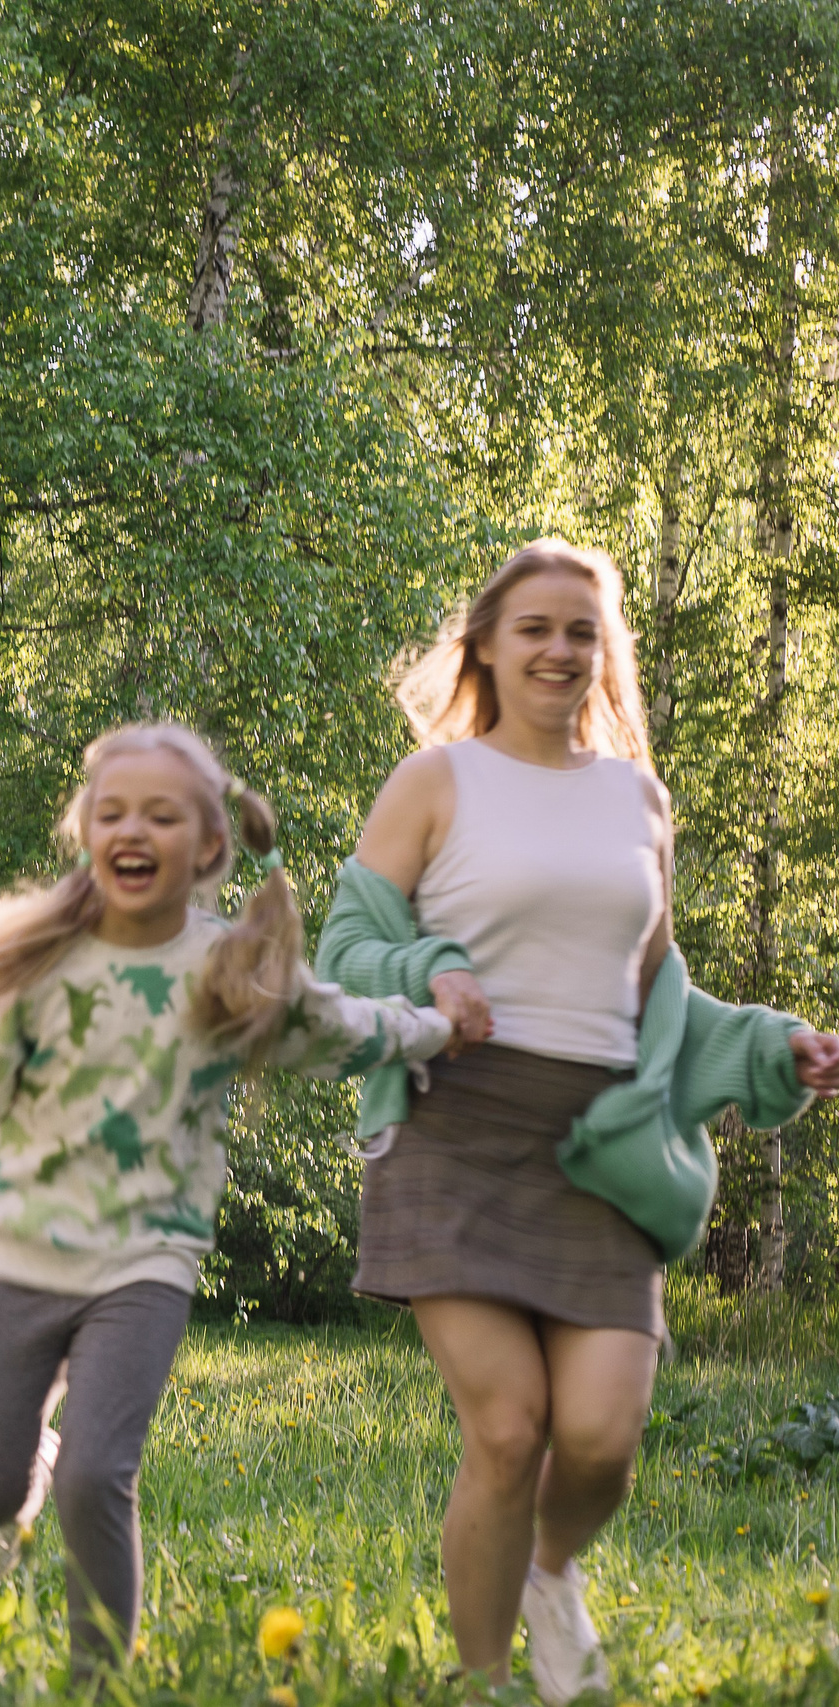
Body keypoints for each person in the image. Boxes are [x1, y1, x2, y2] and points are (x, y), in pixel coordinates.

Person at [0, 724, 452, 1679]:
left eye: (161, 815)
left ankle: (102, 1677)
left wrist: (437, 1029)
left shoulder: (231, 970)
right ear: (87, 832)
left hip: (147, 1259)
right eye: (113, 812)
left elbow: (346, 1026)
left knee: (101, 1473)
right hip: (21, 1254)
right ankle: (16, 1486)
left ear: (209, 846)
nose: (134, 829)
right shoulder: (42, 968)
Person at [317, 537, 839, 1700]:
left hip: (603, 1142)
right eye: (534, 629)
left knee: (599, 1439)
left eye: (580, 631)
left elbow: (652, 995)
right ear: (488, 649)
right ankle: (484, 1677)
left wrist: (767, 1047)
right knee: (507, 1430)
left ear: (603, 656)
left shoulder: (636, 800)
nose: (558, 649)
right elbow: (343, 952)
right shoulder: (435, 783)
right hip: (454, 1125)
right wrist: (433, 973)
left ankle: (550, 1574)